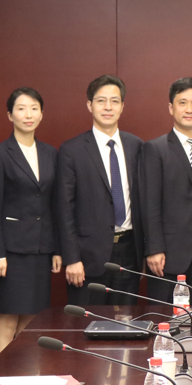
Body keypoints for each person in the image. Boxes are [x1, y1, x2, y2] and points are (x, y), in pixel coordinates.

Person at [0, 87, 62, 358]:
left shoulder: (50, 153)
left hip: (40, 250)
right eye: (21, 108)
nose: (28, 114)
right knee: (7, 322)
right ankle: (0, 380)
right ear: (10, 115)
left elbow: (54, 205)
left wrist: (56, 249)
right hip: (10, 253)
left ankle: (25, 379)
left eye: (34, 108)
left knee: (31, 324)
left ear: (41, 114)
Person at [57, 75, 145, 306]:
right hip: (87, 257)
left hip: (130, 252)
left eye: (114, 101)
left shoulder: (137, 146)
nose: (108, 107)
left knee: (127, 321)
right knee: (86, 323)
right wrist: (72, 259)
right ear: (89, 105)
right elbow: (64, 210)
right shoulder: (72, 150)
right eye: (101, 101)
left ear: (122, 106)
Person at [140, 77, 192, 304]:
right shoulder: (154, 149)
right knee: (165, 318)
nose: (189, 110)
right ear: (171, 107)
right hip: (167, 256)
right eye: (182, 103)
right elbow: (149, 203)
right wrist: (154, 248)